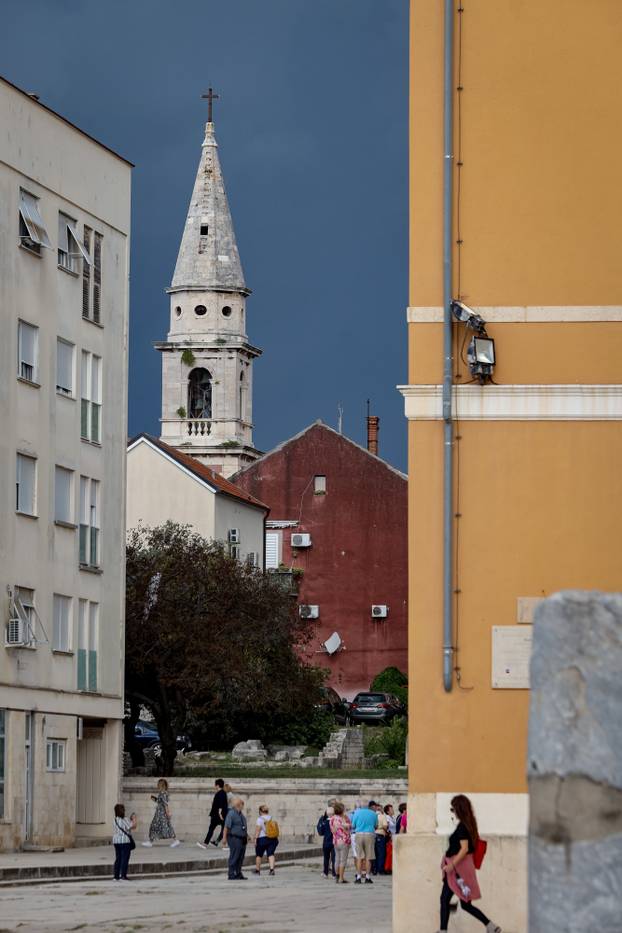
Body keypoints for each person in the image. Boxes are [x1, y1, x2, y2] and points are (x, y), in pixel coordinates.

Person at [437, 795, 502, 933]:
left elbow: (464, 849)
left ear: (459, 809)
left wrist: (451, 865)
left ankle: (443, 930)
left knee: (445, 899)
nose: (452, 812)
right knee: (463, 904)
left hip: (457, 870)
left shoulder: (462, 828)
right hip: (461, 869)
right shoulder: (468, 825)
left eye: (453, 809)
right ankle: (491, 926)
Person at [142, 778, 180, 847]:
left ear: (161, 785)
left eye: (158, 784)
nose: (157, 786)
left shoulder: (162, 793)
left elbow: (165, 804)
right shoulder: (164, 793)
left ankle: (150, 842)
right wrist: (155, 799)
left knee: (156, 826)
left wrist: (167, 813)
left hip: (161, 814)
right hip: (160, 813)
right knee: (165, 826)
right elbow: (161, 802)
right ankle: (151, 841)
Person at [350, 799, 378, 884]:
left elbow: (353, 825)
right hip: (369, 834)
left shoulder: (356, 813)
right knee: (368, 857)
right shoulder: (373, 813)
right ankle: (367, 877)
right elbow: (376, 825)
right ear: (368, 805)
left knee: (359, 857)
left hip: (359, 834)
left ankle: (358, 876)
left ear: (361, 805)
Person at [197, 778, 228, 849]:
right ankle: (223, 845)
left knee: (212, 829)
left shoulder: (220, 793)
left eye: (215, 785)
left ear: (217, 785)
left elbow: (220, 805)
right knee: (223, 830)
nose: (214, 786)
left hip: (217, 815)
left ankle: (205, 844)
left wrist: (220, 814)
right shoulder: (223, 793)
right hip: (219, 815)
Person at [222, 796, 248, 880]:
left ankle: (238, 873)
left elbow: (242, 826)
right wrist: (224, 838)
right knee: (234, 856)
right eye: (242, 804)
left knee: (241, 857)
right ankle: (231, 874)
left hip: (242, 839)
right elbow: (226, 827)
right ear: (238, 805)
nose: (243, 805)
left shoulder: (241, 814)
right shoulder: (231, 814)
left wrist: (248, 836)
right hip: (234, 838)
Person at [329, 802, 352, 884]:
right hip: (344, 841)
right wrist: (346, 819)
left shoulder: (332, 819)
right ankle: (341, 878)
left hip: (335, 841)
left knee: (337, 860)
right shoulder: (342, 819)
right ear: (342, 810)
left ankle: (337, 876)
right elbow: (349, 826)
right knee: (343, 860)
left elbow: (332, 829)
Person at [112, 804, 136, 881]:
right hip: (124, 841)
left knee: (118, 858)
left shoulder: (115, 819)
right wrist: (134, 819)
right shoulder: (125, 819)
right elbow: (133, 826)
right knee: (125, 858)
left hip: (116, 841)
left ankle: (116, 876)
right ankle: (123, 876)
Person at [254, 804, 279, 876]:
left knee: (259, 855)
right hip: (273, 839)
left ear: (260, 811)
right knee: (271, 854)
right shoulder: (272, 818)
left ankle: (257, 870)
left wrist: (255, 839)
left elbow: (258, 830)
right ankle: (271, 870)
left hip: (262, 839)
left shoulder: (260, 819)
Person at [317, 806, 336, 878]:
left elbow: (320, 832)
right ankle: (334, 874)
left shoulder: (324, 822)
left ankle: (325, 873)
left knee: (326, 858)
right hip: (334, 842)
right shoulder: (335, 821)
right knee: (334, 858)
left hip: (326, 842)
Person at [373, 803, 389, 875]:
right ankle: (380, 870)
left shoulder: (372, 816)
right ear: (381, 809)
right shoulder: (383, 816)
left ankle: (374, 869)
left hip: (373, 835)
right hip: (380, 835)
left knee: (374, 853)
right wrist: (385, 830)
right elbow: (385, 826)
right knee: (381, 853)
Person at [383, 804, 396, 875]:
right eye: (391, 809)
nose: (393, 810)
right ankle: (387, 868)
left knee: (391, 854)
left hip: (394, 837)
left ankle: (390, 867)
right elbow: (386, 827)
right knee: (389, 854)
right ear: (388, 811)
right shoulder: (387, 818)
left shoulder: (392, 818)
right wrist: (389, 834)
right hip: (390, 838)